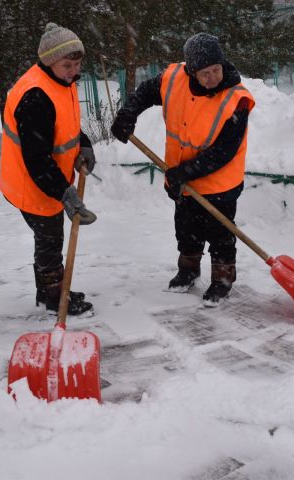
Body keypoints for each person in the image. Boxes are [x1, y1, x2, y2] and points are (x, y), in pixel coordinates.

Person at [110, 33, 255, 306]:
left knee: (220, 233)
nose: (212, 77)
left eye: (216, 70)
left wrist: (185, 172)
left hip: (219, 183)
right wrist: (128, 113)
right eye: (204, 73)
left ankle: (222, 280)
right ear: (191, 72)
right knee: (186, 228)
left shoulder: (236, 100)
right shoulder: (174, 78)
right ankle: (188, 271)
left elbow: (223, 152)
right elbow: (144, 93)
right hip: (182, 178)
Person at [0, 22, 98, 316]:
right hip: (33, 183)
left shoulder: (60, 83)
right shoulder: (35, 97)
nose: (74, 71)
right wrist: (65, 194)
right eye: (67, 64)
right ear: (48, 61)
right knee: (50, 239)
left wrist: (85, 143)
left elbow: (65, 123)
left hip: (48, 179)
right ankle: (55, 296)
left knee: (49, 238)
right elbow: (37, 159)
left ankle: (50, 290)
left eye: (77, 64)